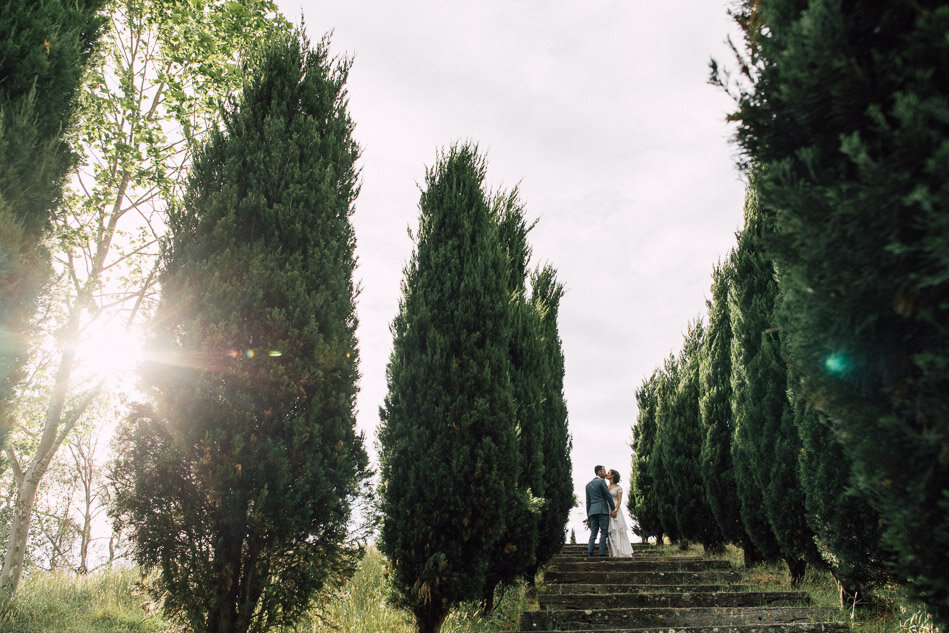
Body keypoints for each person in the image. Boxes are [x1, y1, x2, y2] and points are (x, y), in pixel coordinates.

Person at [585, 464, 615, 557]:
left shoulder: (588, 485)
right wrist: (613, 508)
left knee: (593, 533)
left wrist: (588, 514)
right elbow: (608, 496)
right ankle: (602, 553)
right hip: (602, 510)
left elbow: (588, 501)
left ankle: (590, 553)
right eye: (604, 471)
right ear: (599, 472)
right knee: (603, 532)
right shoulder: (601, 482)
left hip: (592, 511)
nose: (605, 473)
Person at [606, 469, 633, 557]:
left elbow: (619, 500)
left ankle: (620, 551)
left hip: (615, 508)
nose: (607, 474)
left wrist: (615, 510)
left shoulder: (619, 487)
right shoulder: (606, 487)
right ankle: (613, 552)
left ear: (613, 476)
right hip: (607, 509)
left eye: (609, 473)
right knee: (610, 529)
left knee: (617, 528)